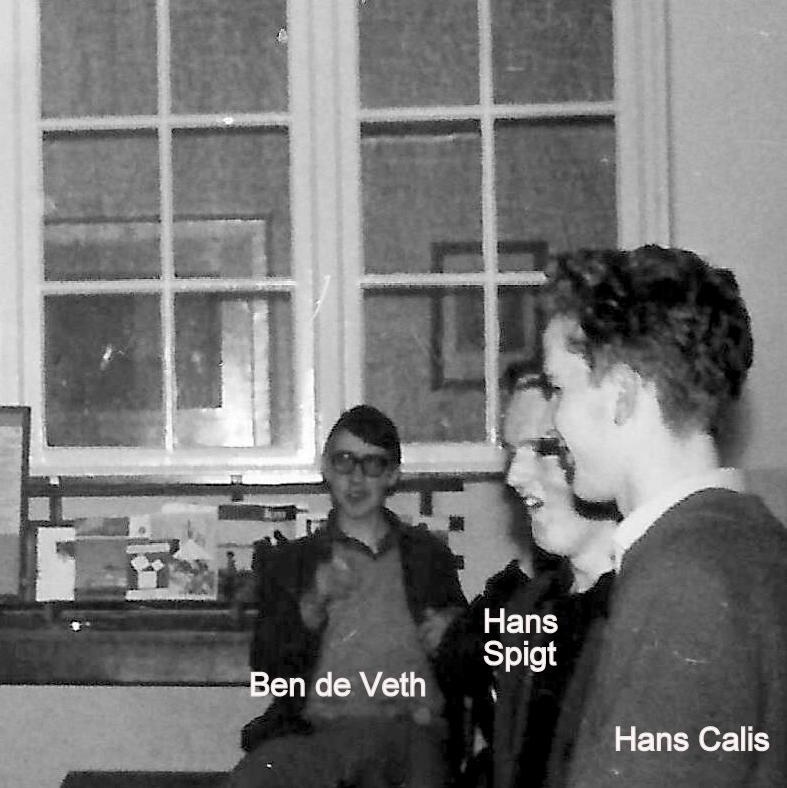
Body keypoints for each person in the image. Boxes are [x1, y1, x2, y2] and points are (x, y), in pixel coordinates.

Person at [544, 245, 787, 788]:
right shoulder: (752, 543)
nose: (552, 421)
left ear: (622, 395)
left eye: (558, 389)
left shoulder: (683, 578)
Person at [232, 405, 469, 788]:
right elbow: (269, 671)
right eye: (344, 462)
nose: (356, 478)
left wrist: (453, 628)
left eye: (372, 464)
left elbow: (470, 657)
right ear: (326, 468)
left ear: (392, 475)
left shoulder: (428, 556)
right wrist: (312, 603)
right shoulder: (293, 562)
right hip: (320, 733)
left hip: (410, 730)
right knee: (255, 778)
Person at [457, 361, 616, 788]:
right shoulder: (530, 609)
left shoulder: (649, 606)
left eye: (545, 448)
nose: (514, 477)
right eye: (513, 452)